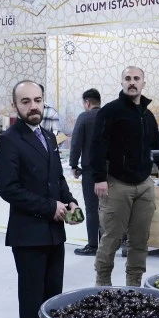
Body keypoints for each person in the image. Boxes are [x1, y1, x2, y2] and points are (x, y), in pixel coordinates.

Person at [0, 81, 78, 318]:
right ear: (15, 106)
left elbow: (58, 179)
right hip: (28, 235)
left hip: (55, 234)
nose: (33, 106)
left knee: (53, 297)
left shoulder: (48, 136)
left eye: (38, 100)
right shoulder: (8, 140)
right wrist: (49, 207)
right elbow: (9, 189)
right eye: (26, 101)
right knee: (32, 301)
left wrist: (70, 202)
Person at [90, 66, 159, 286]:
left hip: (144, 185)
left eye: (136, 78)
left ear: (143, 83)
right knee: (111, 238)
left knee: (140, 240)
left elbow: (157, 149)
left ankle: (134, 286)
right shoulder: (109, 112)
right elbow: (97, 146)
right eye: (127, 78)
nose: (132, 82)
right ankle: (103, 285)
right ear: (122, 82)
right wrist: (99, 177)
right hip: (117, 184)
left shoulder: (147, 116)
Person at [68, 88, 102, 257]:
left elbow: (76, 143)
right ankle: (107, 243)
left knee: (91, 208)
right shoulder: (109, 116)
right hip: (110, 172)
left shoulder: (84, 117)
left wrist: (73, 165)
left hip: (90, 171)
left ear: (87, 103)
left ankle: (92, 245)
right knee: (107, 208)